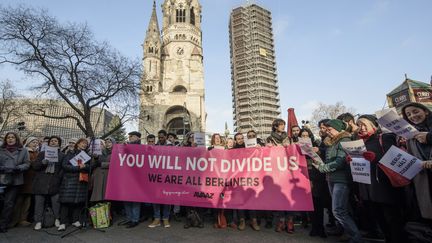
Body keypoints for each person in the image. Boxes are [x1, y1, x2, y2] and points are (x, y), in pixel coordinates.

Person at [355, 115, 406, 243]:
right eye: (359, 124)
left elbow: (395, 158)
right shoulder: (359, 143)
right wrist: (352, 160)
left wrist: (375, 158)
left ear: (374, 125)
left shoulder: (384, 137)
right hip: (369, 187)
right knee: (380, 219)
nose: (361, 127)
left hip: (385, 185)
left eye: (364, 124)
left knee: (392, 219)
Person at [314, 119, 362, 243]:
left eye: (330, 130)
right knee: (342, 208)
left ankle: (356, 237)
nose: (327, 132)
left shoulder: (344, 140)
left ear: (338, 129)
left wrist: (323, 168)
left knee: (338, 210)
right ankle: (343, 231)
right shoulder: (332, 142)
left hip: (342, 180)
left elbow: (340, 162)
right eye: (326, 130)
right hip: (331, 178)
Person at [401, 103, 432, 223]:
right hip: (425, 180)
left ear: (426, 111)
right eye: (408, 114)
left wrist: (429, 137)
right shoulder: (410, 135)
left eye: (415, 111)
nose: (412, 116)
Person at [57, 138, 92, 231]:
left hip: (81, 181)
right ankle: (63, 222)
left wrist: (86, 166)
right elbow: (65, 165)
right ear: (78, 144)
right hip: (70, 180)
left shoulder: (87, 155)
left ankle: (75, 220)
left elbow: (90, 167)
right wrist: (77, 168)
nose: (84, 145)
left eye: (85, 144)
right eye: (82, 143)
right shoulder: (70, 153)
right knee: (66, 202)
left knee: (78, 201)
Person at [266, 119, 293, 233]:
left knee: (290, 196)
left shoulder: (289, 138)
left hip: (289, 170)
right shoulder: (269, 138)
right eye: (281, 125)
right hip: (276, 170)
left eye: (283, 125)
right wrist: (267, 148)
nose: (283, 127)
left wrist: (291, 147)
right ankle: (281, 221)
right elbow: (266, 153)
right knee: (280, 196)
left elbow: (294, 152)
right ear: (275, 127)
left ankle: (290, 222)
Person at [0, 132, 30, 233]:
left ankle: (3, 225)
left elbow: (27, 164)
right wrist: (3, 168)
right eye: (8, 137)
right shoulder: (1, 150)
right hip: (2, 178)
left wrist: (18, 168)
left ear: (16, 139)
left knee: (9, 203)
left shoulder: (23, 151)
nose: (10, 139)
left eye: (12, 137)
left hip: (15, 180)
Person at [32, 136, 64, 230]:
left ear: (59, 144)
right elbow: (35, 166)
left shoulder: (62, 155)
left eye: (56, 141)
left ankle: (57, 218)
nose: (53, 142)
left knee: (56, 202)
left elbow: (63, 168)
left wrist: (59, 177)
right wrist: (43, 162)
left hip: (55, 182)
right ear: (49, 143)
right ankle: (38, 221)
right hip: (41, 182)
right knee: (39, 203)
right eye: (52, 141)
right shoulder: (42, 153)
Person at [299, 128, 326, 238]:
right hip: (304, 178)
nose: (305, 138)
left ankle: (321, 228)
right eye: (303, 136)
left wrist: (318, 151)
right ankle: (314, 227)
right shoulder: (297, 148)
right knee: (310, 204)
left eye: (307, 135)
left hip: (317, 178)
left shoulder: (317, 146)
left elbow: (324, 157)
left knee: (318, 203)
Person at [9, 137, 39, 228]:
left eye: (36, 142)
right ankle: (14, 219)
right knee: (19, 200)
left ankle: (23, 219)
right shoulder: (24, 151)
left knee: (27, 200)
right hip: (24, 178)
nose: (35, 143)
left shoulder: (37, 152)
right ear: (28, 143)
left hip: (33, 179)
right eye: (33, 142)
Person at [118, 131, 142, 228]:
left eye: (132, 136)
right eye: (129, 136)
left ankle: (135, 219)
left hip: (137, 178)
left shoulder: (141, 148)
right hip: (127, 177)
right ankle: (129, 218)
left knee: (135, 199)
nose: (130, 137)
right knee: (126, 199)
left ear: (138, 138)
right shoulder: (126, 146)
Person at [148, 130, 172, 228]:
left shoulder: (172, 146)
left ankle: (165, 218)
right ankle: (157, 218)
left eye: (162, 137)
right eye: (159, 137)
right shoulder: (155, 146)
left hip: (168, 176)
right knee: (156, 198)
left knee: (167, 198)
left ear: (166, 137)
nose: (160, 139)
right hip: (156, 176)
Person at [90, 137, 116, 203]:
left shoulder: (116, 152)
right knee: (98, 197)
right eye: (106, 142)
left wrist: (102, 164)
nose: (107, 144)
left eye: (109, 142)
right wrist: (95, 158)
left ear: (113, 143)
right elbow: (94, 163)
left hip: (109, 177)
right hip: (99, 178)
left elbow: (115, 164)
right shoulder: (100, 152)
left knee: (108, 197)